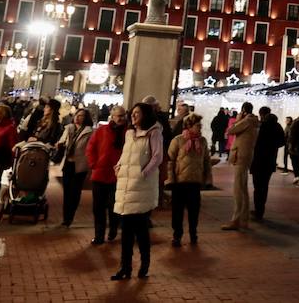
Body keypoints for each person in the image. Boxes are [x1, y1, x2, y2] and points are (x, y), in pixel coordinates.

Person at [111, 102, 163, 281]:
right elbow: (125, 155)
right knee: (125, 232)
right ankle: (125, 267)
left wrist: (143, 173)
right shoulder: (129, 134)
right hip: (125, 186)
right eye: (132, 113)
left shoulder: (154, 133)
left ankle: (144, 264)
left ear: (146, 115)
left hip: (142, 188)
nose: (133, 116)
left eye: (137, 113)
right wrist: (119, 166)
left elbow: (157, 157)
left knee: (141, 231)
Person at [164, 112, 212, 246]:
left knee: (194, 211)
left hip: (195, 182)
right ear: (189, 126)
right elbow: (170, 161)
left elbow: (207, 161)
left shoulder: (202, 141)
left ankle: (193, 233)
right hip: (180, 183)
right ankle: (177, 235)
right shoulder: (178, 140)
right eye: (198, 125)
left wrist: (208, 180)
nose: (200, 127)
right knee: (177, 211)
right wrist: (170, 180)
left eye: (200, 125)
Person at [87, 105, 127, 244]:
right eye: (118, 116)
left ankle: (113, 229)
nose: (121, 118)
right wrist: (94, 164)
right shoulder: (102, 130)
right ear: (112, 116)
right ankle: (99, 235)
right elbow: (91, 147)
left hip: (118, 175)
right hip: (100, 173)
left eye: (123, 115)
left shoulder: (128, 132)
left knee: (113, 206)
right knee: (98, 207)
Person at [221, 102, 258, 231]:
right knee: (242, 187)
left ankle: (236, 219)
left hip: (241, 155)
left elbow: (230, 130)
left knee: (238, 188)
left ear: (243, 111)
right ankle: (243, 219)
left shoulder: (247, 121)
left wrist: (237, 120)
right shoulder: (253, 121)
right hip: (246, 155)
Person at [57, 108, 94, 227]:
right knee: (67, 191)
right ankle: (65, 217)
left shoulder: (89, 132)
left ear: (86, 118)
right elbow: (62, 141)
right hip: (67, 163)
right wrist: (60, 144)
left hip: (80, 165)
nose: (78, 117)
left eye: (81, 115)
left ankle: (70, 215)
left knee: (75, 191)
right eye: (77, 115)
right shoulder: (69, 128)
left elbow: (90, 149)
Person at [250, 106, 284, 221]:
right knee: (264, 186)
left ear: (261, 114)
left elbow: (254, 141)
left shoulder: (261, 126)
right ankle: (260, 210)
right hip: (270, 160)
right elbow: (282, 142)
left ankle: (258, 210)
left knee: (257, 186)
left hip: (259, 159)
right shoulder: (277, 126)